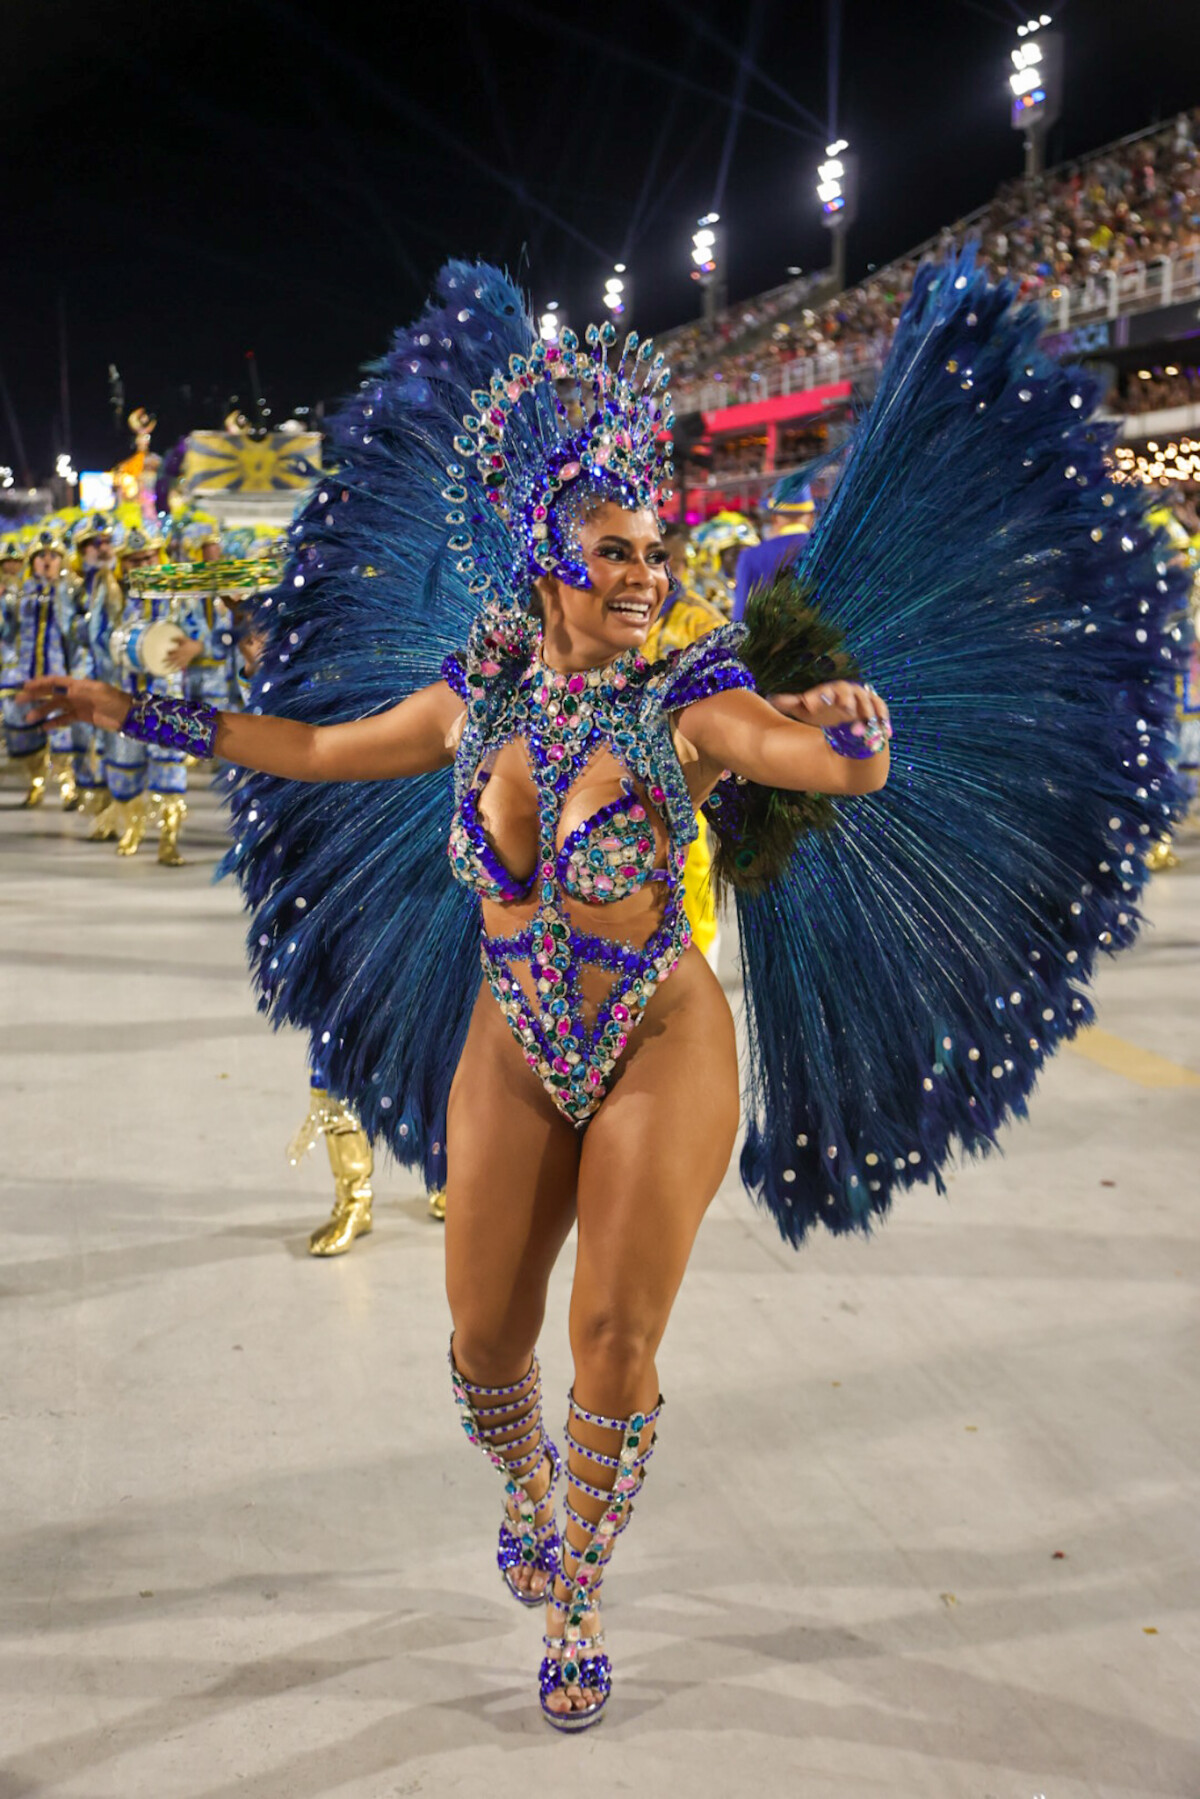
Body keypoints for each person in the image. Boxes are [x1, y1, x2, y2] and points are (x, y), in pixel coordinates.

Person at [20, 252, 1187, 1734]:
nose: (651, 573)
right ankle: (525, 1489)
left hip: (660, 1031)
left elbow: (817, 760)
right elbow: (310, 751)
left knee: (614, 1339)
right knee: (486, 1345)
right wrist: (136, 707)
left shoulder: (688, 695)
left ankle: (573, 1585)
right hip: (513, 1041)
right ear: (548, 555)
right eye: (621, 552)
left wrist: (853, 729)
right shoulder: (473, 702)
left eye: (659, 549)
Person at [3, 531, 77, 807]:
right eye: (41, 556)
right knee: (28, 730)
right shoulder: (19, 594)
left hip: (57, 674)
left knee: (61, 731)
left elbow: (76, 633)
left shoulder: (70, 591)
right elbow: (8, 632)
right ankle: (36, 784)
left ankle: (68, 787)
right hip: (25, 675)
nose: (47, 561)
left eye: (53, 556)